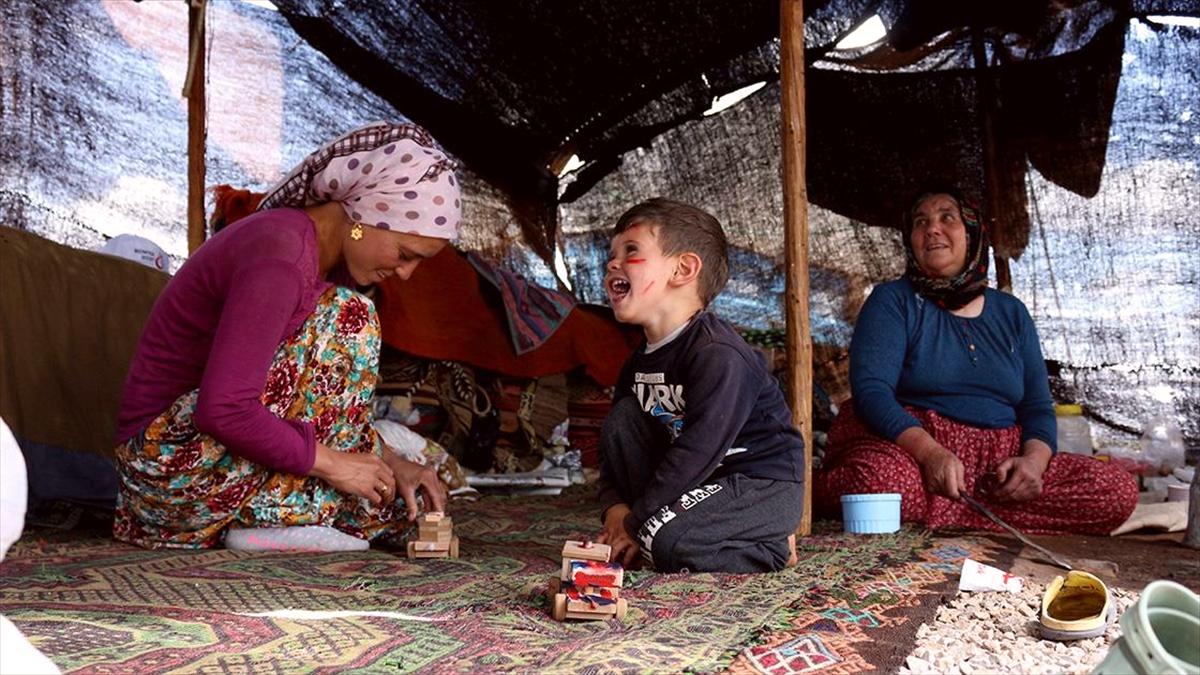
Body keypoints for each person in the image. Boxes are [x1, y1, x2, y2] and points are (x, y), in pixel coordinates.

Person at [113, 122, 459, 549]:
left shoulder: (316, 260)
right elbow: (223, 410)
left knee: (390, 508)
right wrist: (334, 465)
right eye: (405, 254)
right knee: (351, 316)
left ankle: (281, 513)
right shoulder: (281, 257)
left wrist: (388, 461)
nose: (404, 273)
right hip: (166, 470)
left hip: (204, 470)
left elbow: (314, 407)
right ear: (362, 219)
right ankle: (278, 520)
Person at [814, 185, 1137, 534]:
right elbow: (872, 392)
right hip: (914, 450)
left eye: (946, 218)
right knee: (884, 486)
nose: (932, 228)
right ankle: (966, 512)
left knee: (1115, 491)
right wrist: (931, 454)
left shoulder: (1011, 313)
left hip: (998, 464)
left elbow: (1037, 407)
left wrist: (1033, 464)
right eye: (921, 222)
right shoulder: (894, 301)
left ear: (972, 234)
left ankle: (954, 512)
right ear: (911, 240)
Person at [594, 198, 805, 573]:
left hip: (757, 485)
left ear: (684, 268)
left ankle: (771, 547)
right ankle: (660, 528)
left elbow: (697, 451)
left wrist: (635, 524)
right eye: (612, 254)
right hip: (697, 487)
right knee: (623, 417)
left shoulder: (717, 354)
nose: (612, 263)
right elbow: (615, 445)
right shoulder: (637, 362)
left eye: (631, 250)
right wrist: (616, 509)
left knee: (664, 542)